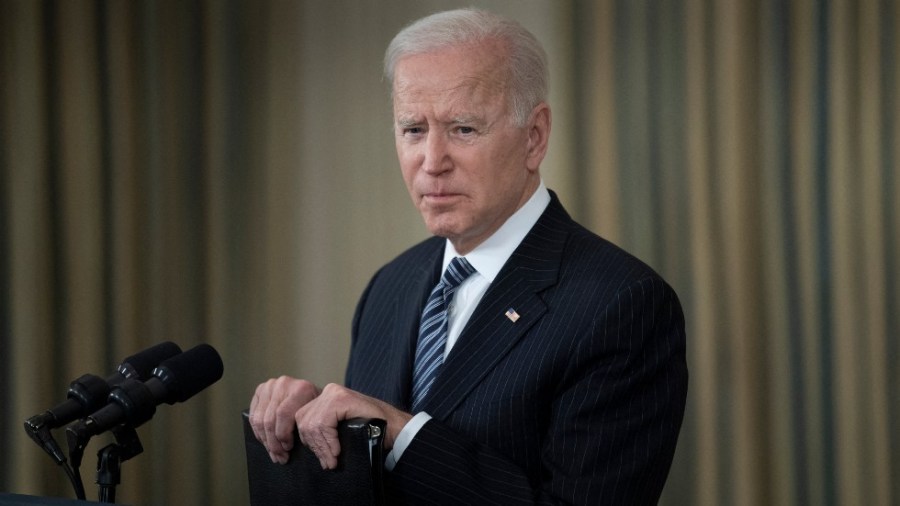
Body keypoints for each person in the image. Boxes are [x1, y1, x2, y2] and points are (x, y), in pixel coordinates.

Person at [249, 8, 687, 505]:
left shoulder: (621, 303)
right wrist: (309, 433)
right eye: (413, 129)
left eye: (463, 129)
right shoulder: (390, 285)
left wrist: (402, 433)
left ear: (534, 136)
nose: (432, 163)